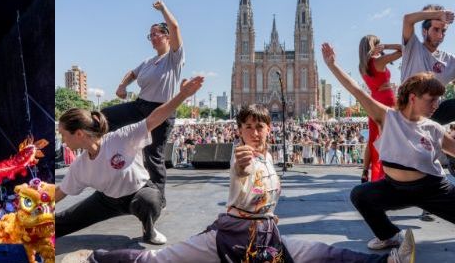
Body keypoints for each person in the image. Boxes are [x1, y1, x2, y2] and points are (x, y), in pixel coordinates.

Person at [63, 104, 413, 263]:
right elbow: (242, 171)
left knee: (319, 252)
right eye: (248, 127)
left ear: (269, 129)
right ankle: (94, 257)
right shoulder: (241, 155)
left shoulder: (271, 158)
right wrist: (242, 164)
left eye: (261, 126)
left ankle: (389, 261)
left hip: (264, 234)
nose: (256, 132)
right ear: (240, 132)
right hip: (230, 233)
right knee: (159, 260)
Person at [323, 42, 455, 253]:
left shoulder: (434, 128)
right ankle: (390, 235)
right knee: (360, 195)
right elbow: (356, 90)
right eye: (432, 100)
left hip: (433, 189)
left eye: (439, 100)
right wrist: (332, 65)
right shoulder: (387, 117)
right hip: (395, 188)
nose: (437, 105)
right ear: (413, 98)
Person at [55, 76, 205, 245]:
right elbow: (60, 192)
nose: (62, 139)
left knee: (150, 201)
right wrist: (33, 204)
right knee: (58, 224)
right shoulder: (79, 166)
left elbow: (154, 118)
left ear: (79, 134)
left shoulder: (120, 138)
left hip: (139, 193)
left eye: (63, 134)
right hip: (107, 201)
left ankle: (149, 230)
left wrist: (182, 95)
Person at [103, 1, 184, 205]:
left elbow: (175, 27)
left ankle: (158, 200)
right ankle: (113, 153)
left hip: (161, 111)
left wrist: (164, 9)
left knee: (153, 155)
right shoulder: (148, 61)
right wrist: (122, 87)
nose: (153, 37)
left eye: (156, 33)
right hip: (140, 107)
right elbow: (132, 73)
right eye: (150, 35)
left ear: (167, 37)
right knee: (105, 115)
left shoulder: (174, 58)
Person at [358, 36, 402, 183]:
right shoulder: (379, 61)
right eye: (378, 44)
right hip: (387, 101)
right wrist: (387, 46)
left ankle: (366, 171)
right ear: (374, 46)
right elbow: (404, 50)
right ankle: (386, 174)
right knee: (388, 138)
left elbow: (374, 82)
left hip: (374, 100)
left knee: (373, 138)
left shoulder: (362, 66)